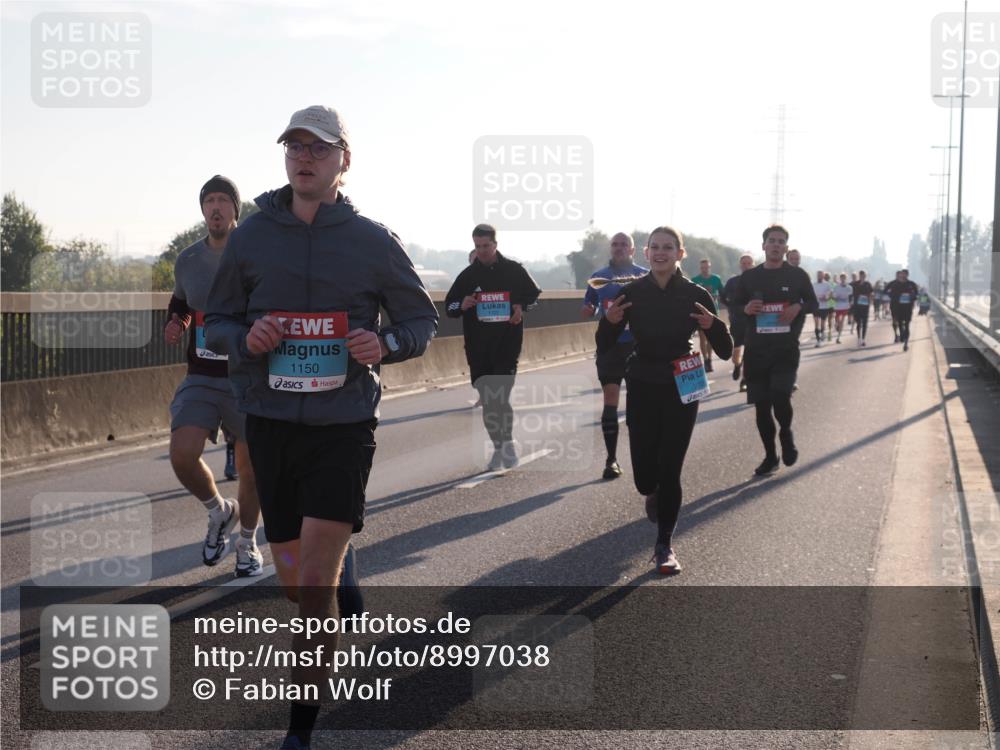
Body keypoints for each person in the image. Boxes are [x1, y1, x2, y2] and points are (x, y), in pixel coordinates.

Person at [205, 105, 438, 750]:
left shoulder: (371, 240)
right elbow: (216, 322)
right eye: (295, 147)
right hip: (270, 424)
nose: (304, 157)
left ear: (344, 160)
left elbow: (421, 321)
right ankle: (344, 568)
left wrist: (384, 342)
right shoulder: (253, 236)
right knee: (295, 584)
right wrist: (245, 338)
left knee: (312, 588)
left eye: (319, 148)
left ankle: (300, 732)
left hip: (343, 426)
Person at [598, 226, 732, 575]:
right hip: (643, 379)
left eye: (668, 247)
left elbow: (725, 349)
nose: (661, 252)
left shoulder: (695, 293)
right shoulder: (632, 292)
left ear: (680, 254)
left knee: (671, 467)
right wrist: (609, 322)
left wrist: (713, 326)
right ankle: (652, 491)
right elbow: (605, 343)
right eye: (655, 247)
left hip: (683, 380)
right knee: (645, 476)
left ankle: (664, 546)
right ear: (646, 253)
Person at [164, 175, 262, 577]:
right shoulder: (188, 259)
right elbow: (181, 303)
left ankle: (248, 543)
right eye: (209, 201)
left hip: (247, 375)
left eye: (223, 200)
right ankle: (219, 510)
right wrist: (177, 323)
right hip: (202, 375)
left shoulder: (254, 253)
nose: (216, 207)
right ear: (203, 209)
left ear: (235, 209)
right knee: (182, 454)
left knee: (251, 468)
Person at [445, 224, 542, 471]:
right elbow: (449, 307)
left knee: (500, 395)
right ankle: (500, 447)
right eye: (477, 246)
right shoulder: (468, 276)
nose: (482, 251)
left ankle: (506, 445)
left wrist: (520, 307)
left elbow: (534, 297)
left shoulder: (514, 270)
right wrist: (462, 304)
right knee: (489, 401)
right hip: (478, 348)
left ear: (495, 244)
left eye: (486, 246)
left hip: (507, 345)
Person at [734, 225, 817, 476]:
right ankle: (770, 456)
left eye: (781, 242)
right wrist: (746, 308)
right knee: (761, 407)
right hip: (756, 351)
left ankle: (786, 433)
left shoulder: (797, 275)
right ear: (764, 246)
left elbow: (813, 302)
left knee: (780, 397)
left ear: (786, 248)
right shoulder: (749, 277)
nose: (776, 245)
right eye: (772, 241)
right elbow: (734, 306)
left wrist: (798, 307)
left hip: (785, 349)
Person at [581, 232, 647, 480]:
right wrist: (588, 309)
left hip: (637, 346)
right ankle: (611, 460)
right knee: (610, 399)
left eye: (624, 245)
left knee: (638, 404)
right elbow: (588, 306)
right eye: (615, 244)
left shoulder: (645, 276)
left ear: (632, 250)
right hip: (610, 346)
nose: (619, 248)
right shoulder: (599, 277)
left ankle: (642, 457)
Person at [721, 253, 755, 390]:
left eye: (749, 263)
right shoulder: (732, 282)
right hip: (736, 320)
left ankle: (745, 380)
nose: (746, 266)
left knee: (750, 350)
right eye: (744, 263)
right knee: (737, 348)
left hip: (753, 320)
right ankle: (737, 365)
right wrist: (731, 307)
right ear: (740, 265)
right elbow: (723, 297)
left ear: (753, 265)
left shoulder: (758, 280)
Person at [692, 258, 724, 373]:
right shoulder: (695, 280)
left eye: (706, 267)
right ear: (700, 268)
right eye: (702, 268)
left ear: (709, 267)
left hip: (713, 312)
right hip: (700, 313)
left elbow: (723, 293)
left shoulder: (716, 279)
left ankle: (709, 359)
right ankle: (705, 359)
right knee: (702, 337)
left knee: (711, 338)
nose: (704, 270)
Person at [885, 269, 919, 351]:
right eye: (902, 274)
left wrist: (912, 297)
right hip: (898, 307)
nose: (903, 276)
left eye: (905, 274)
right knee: (900, 324)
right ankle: (901, 335)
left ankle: (906, 344)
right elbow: (887, 292)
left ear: (907, 275)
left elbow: (916, 294)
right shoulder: (895, 284)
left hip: (908, 308)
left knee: (907, 325)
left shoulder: (911, 284)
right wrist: (893, 296)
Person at [851, 270, 873, 346]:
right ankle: (859, 338)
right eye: (861, 275)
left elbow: (871, 293)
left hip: (865, 306)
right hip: (857, 306)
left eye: (863, 275)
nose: (862, 276)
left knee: (864, 323)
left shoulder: (868, 284)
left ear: (865, 276)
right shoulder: (855, 284)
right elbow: (850, 292)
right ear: (859, 276)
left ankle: (863, 339)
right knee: (858, 323)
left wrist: (870, 300)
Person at [811, 269, 832, 347]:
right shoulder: (813, 284)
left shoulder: (827, 284)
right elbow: (810, 294)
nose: (819, 276)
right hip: (815, 306)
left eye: (820, 275)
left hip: (824, 307)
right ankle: (818, 341)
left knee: (822, 324)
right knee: (816, 324)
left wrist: (827, 298)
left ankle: (823, 332)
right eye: (818, 275)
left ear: (823, 276)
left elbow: (830, 294)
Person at [831, 273, 853, 344]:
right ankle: (837, 324)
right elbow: (833, 297)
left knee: (842, 321)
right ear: (840, 279)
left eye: (844, 278)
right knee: (838, 321)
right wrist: (835, 298)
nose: (843, 279)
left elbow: (851, 297)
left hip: (845, 306)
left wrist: (851, 303)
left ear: (846, 279)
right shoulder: (836, 287)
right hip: (838, 306)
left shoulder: (849, 287)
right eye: (842, 278)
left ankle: (838, 337)